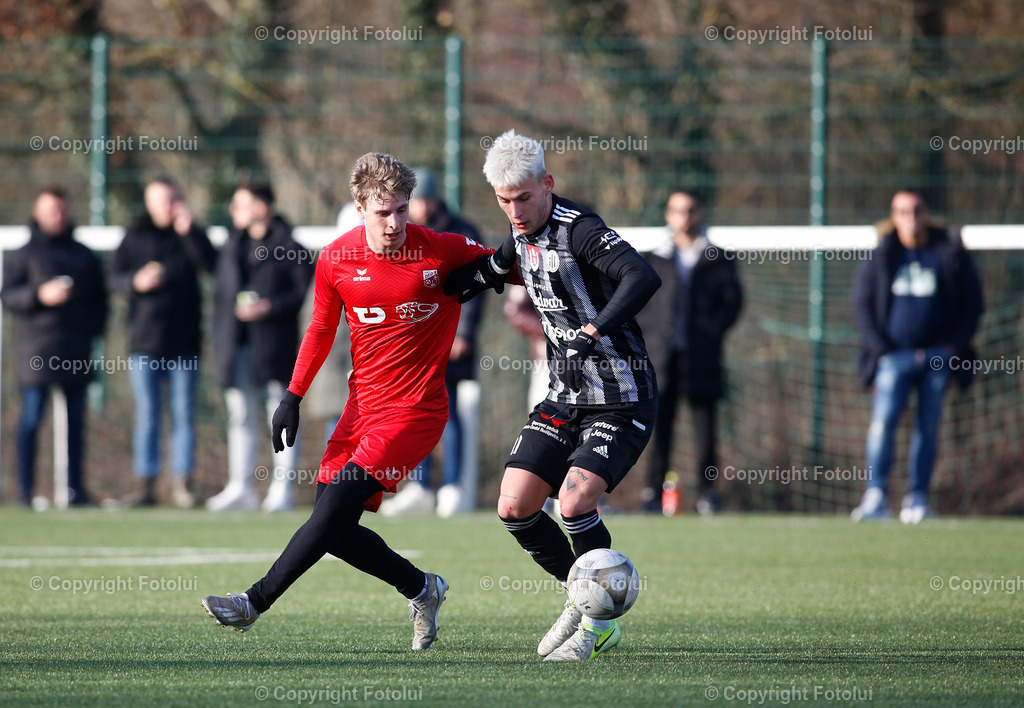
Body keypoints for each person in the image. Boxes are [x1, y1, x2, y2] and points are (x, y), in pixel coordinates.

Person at [201, 153, 499, 650]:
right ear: (359, 207)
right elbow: (319, 328)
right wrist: (293, 396)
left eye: (403, 210)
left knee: (334, 508)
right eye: (384, 212)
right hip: (361, 411)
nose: (396, 223)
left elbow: (509, 264)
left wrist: (534, 268)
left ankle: (253, 602)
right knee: (334, 528)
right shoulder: (337, 258)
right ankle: (422, 588)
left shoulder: (440, 248)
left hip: (416, 411)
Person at [445, 129, 661, 661]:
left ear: (547, 183)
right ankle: (582, 591)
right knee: (514, 506)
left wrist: (592, 332)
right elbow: (482, 273)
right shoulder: (518, 234)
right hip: (563, 398)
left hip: (621, 396)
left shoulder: (582, 230)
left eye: (523, 197)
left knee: (573, 501)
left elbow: (642, 276)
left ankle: (597, 627)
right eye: (503, 200)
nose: (514, 210)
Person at [851, 189, 983, 524]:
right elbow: (862, 306)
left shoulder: (948, 252)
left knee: (927, 427)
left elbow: (972, 305)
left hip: (938, 355)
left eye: (916, 210)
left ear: (926, 213)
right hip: (892, 357)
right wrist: (880, 351)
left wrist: (954, 347)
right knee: (883, 424)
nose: (910, 217)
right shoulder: (882, 254)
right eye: (902, 211)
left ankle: (917, 499)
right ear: (893, 216)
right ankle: (876, 495)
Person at [381, 167, 486, 518]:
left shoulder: (461, 231)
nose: (415, 209)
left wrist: (463, 333)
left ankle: (452, 488)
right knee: (415, 413)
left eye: (419, 200)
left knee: (450, 413)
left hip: (450, 339)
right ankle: (421, 487)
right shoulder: (403, 234)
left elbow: (478, 285)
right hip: (416, 343)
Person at [109, 179, 217, 508]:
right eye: (158, 200)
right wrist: (134, 282)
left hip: (184, 342)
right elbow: (112, 278)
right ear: (148, 202)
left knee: (184, 413)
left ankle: (182, 484)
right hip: (144, 342)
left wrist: (190, 232)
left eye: (170, 199)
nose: (165, 206)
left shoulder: (191, 235)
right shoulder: (134, 235)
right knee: (148, 414)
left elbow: (213, 266)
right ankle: (146, 485)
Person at [206, 184, 313, 512]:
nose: (235, 209)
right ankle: (241, 487)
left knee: (278, 414)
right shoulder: (230, 246)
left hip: (275, 346)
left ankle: (282, 490)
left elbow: (304, 295)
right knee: (240, 415)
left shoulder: (291, 246)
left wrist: (269, 306)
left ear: (262, 207)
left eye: (242, 204)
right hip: (235, 345)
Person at [635, 190, 743, 515]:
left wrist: (710, 333)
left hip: (702, 357)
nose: (684, 217)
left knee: (705, 429)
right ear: (668, 214)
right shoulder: (652, 258)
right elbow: (638, 305)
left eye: (691, 210)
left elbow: (733, 304)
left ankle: (709, 494)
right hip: (660, 358)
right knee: (658, 428)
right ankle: (652, 493)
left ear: (700, 212)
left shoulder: (718, 258)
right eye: (677, 210)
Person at [1, 187, 107, 507]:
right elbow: (8, 296)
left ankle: (74, 489)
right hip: (36, 351)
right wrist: (38, 295)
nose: (56, 216)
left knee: (75, 425)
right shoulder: (22, 254)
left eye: (61, 210)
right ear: (36, 213)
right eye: (50, 210)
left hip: (76, 351)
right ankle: (26, 490)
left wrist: (90, 333)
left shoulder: (83, 254)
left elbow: (100, 302)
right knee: (31, 421)